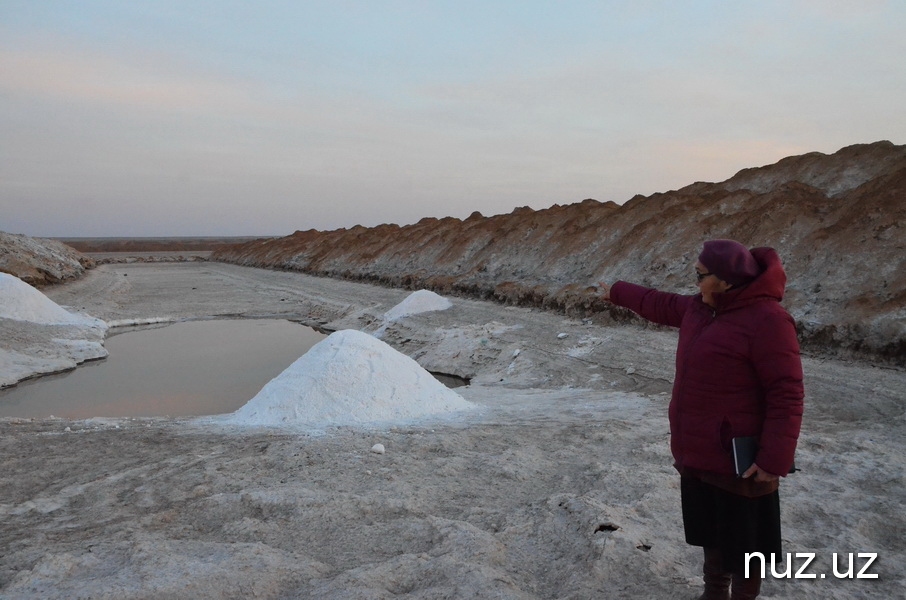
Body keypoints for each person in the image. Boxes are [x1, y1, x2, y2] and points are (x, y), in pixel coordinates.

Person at [599, 240, 803, 600]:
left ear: (725, 281)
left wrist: (774, 459)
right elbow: (659, 303)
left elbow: (786, 393)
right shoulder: (700, 309)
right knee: (712, 536)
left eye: (700, 275)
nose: (694, 283)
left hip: (740, 460)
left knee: (746, 549)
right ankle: (713, 595)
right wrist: (617, 291)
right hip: (698, 451)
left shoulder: (768, 321)